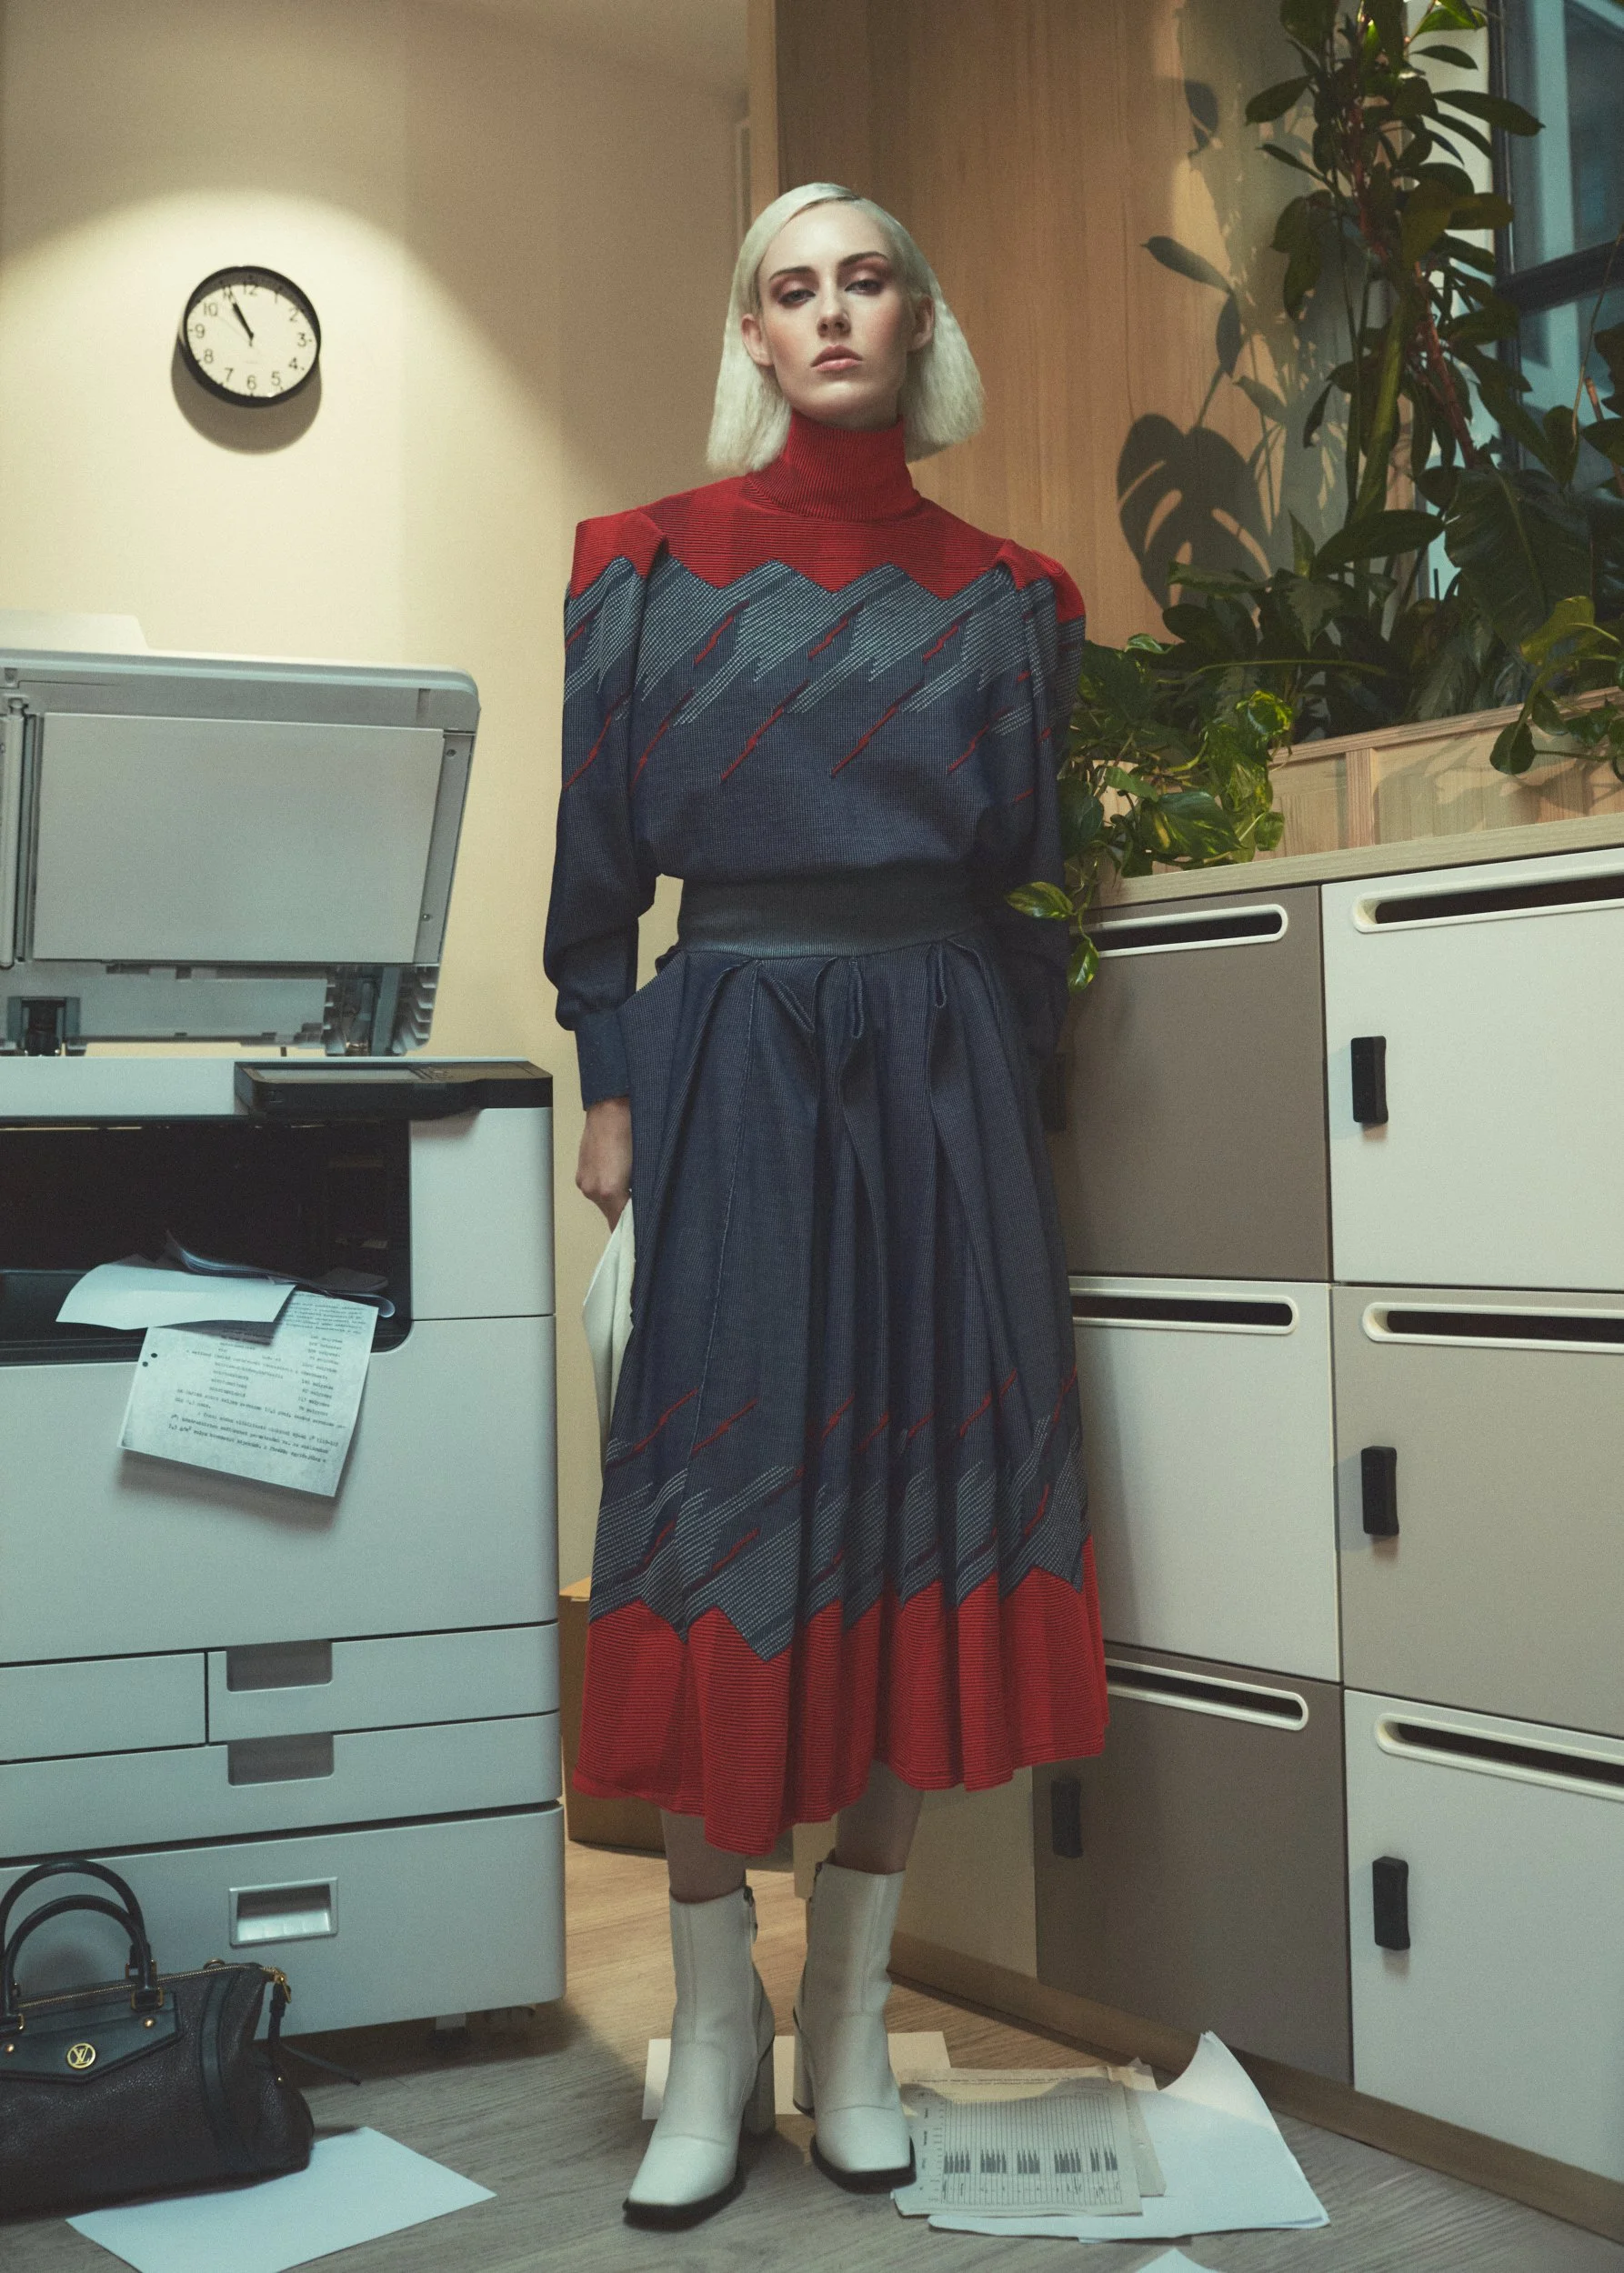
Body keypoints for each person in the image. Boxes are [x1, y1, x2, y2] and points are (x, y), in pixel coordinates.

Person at [544, 181, 1108, 2228]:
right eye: (791, 290)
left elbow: (1041, 886)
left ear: (914, 316)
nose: (831, 311)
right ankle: (711, 2040)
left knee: (896, 1537)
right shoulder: (640, 571)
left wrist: (1007, 1112)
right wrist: (614, 1090)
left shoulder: (1014, 597)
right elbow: (594, 882)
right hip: (735, 1069)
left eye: (863, 277)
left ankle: (845, 2022)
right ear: (752, 341)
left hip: (944, 1078)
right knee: (711, 1532)